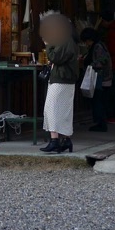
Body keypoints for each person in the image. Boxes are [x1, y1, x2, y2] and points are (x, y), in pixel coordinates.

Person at [39, 12, 79, 154]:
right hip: (64, 80)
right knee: (62, 111)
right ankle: (64, 140)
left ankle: (55, 141)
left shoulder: (65, 41)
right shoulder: (67, 40)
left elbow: (55, 57)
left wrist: (48, 45)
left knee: (52, 109)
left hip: (61, 80)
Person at [80, 27, 113, 132]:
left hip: (101, 79)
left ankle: (101, 124)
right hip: (102, 78)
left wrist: (90, 65)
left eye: (86, 41)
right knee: (99, 101)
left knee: (99, 102)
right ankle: (100, 122)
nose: (86, 44)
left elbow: (102, 61)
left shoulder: (98, 46)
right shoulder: (98, 45)